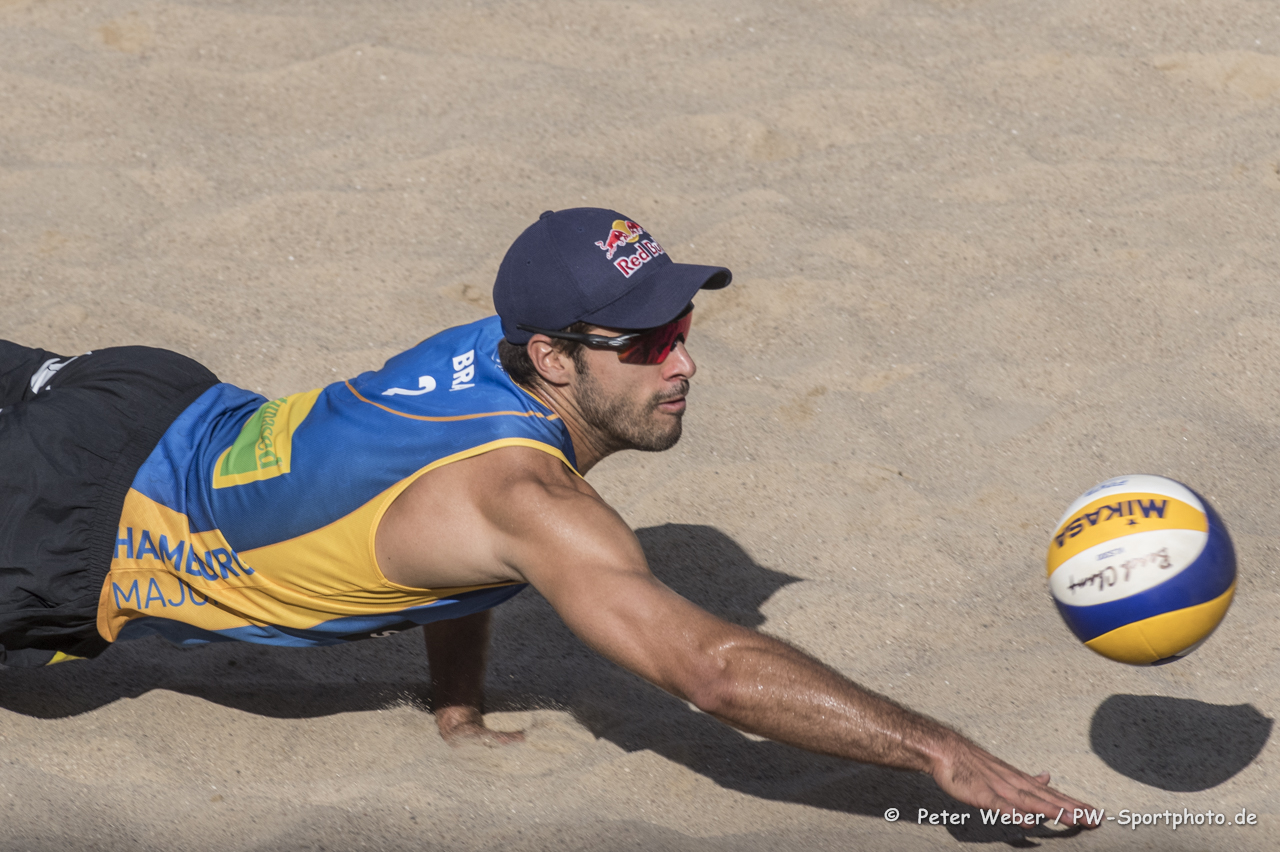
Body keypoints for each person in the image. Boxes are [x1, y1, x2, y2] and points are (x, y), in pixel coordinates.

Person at [0, 208, 1098, 827]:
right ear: (553, 358)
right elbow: (714, 673)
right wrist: (933, 747)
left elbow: (446, 545)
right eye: (647, 345)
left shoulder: (485, 355)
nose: (682, 365)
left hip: (151, 397)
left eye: (680, 330)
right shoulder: (535, 500)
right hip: (64, 524)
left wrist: (456, 706)